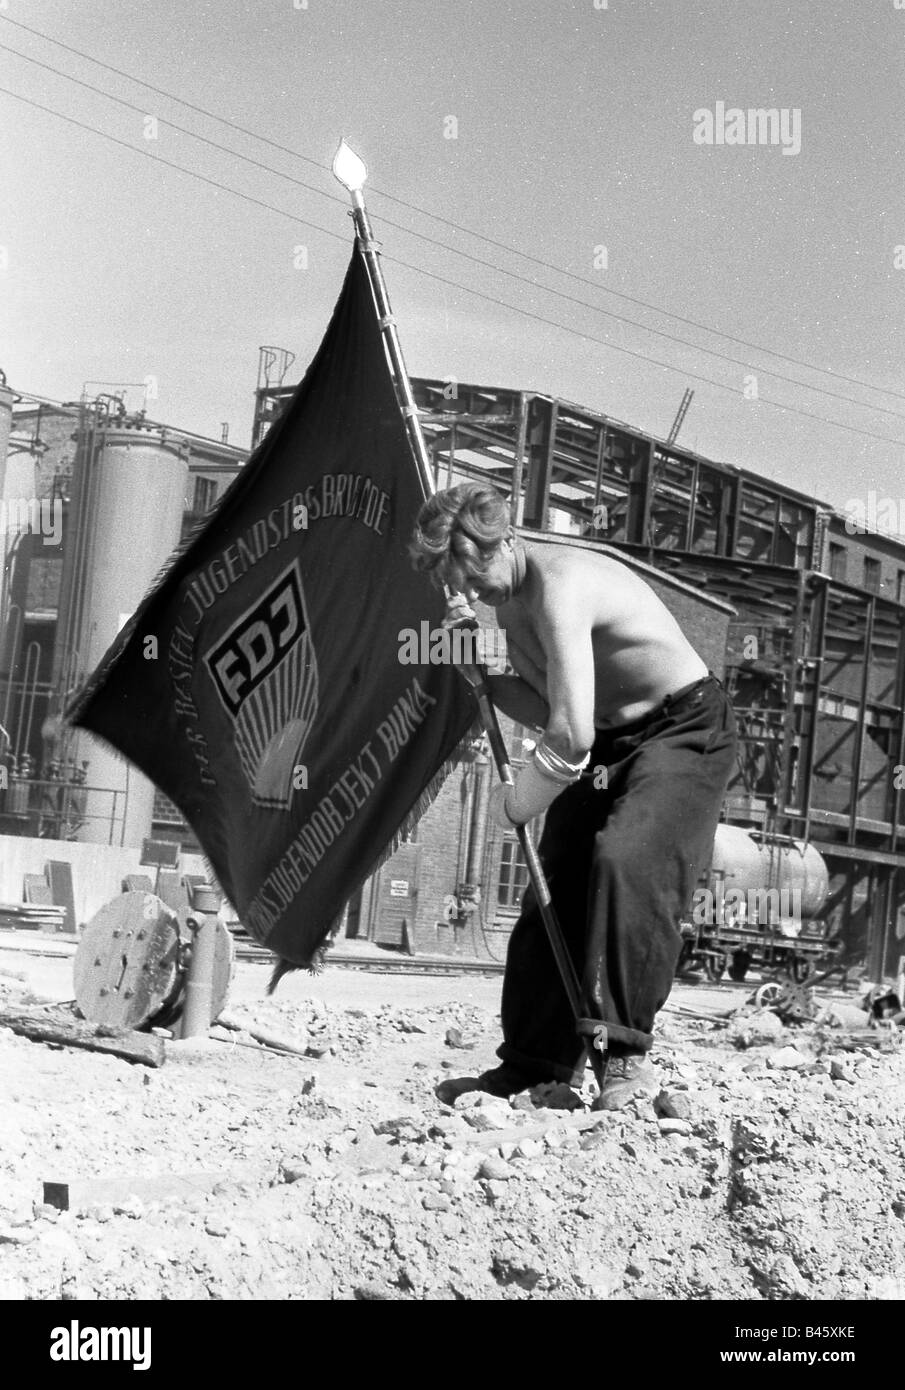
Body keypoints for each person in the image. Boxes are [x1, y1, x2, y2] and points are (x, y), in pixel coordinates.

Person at [409, 481, 737, 1109]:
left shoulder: (563, 585)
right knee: (554, 883)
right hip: (615, 744)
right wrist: (479, 671)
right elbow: (549, 709)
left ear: (504, 538)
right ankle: (535, 1062)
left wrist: (519, 804)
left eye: (477, 579)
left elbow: (569, 736)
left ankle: (625, 1056)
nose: (475, 597)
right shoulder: (511, 606)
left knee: (627, 860)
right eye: (464, 590)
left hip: (684, 730)